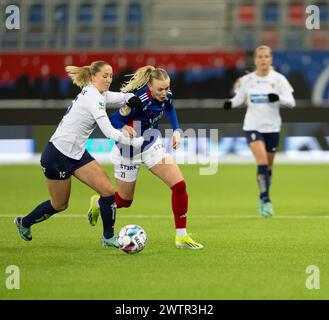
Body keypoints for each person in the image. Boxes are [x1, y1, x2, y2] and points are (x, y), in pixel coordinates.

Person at [14, 60, 144, 247]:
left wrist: (130, 98)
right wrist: (133, 141)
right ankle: (24, 222)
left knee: (108, 193)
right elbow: (108, 132)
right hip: (57, 156)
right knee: (60, 204)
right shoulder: (94, 98)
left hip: (77, 153)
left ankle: (108, 238)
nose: (108, 79)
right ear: (93, 77)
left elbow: (114, 97)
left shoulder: (97, 93)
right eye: (104, 76)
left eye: (110, 76)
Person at [87, 65, 203, 249]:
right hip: (128, 151)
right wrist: (123, 127)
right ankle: (100, 202)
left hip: (151, 146)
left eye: (167, 88)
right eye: (160, 89)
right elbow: (115, 119)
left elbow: (171, 109)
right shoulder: (137, 100)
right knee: (125, 201)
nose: (165, 92)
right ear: (150, 87)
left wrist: (177, 131)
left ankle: (181, 237)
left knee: (179, 185)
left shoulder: (167, 95)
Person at [223, 45, 296, 216]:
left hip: (272, 128)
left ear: (271, 59)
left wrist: (278, 97)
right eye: (260, 57)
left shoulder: (279, 80)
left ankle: (263, 195)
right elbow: (239, 98)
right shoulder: (248, 80)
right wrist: (230, 103)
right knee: (262, 162)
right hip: (252, 127)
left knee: (268, 167)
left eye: (266, 57)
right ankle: (265, 200)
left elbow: (291, 102)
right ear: (255, 60)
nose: (263, 60)